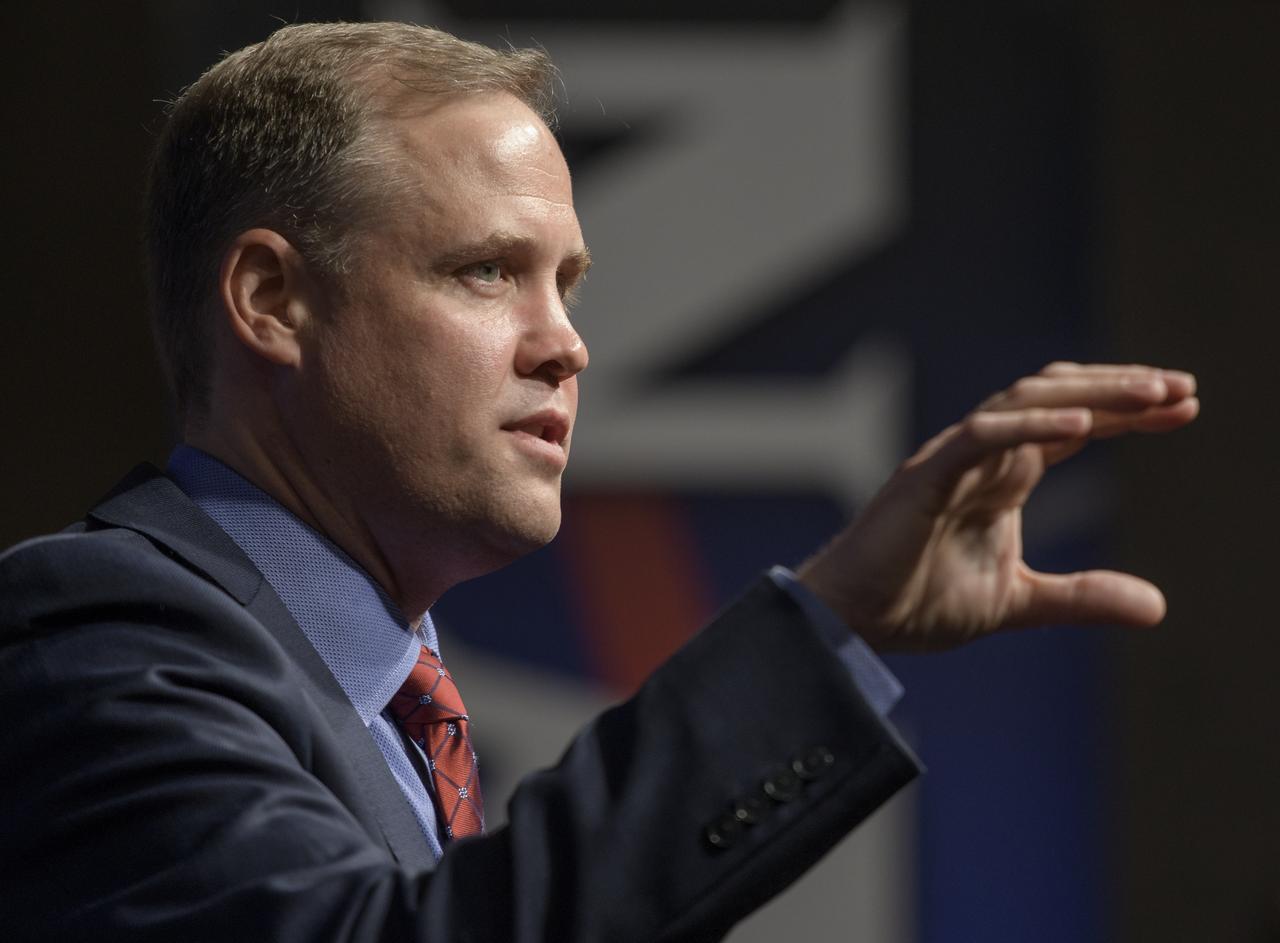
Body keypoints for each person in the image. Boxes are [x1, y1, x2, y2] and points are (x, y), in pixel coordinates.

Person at [0, 20, 1198, 943]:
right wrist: (825, 621)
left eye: (565, 282)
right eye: (484, 272)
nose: (566, 342)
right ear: (271, 300)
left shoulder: (385, 701)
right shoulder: (98, 637)